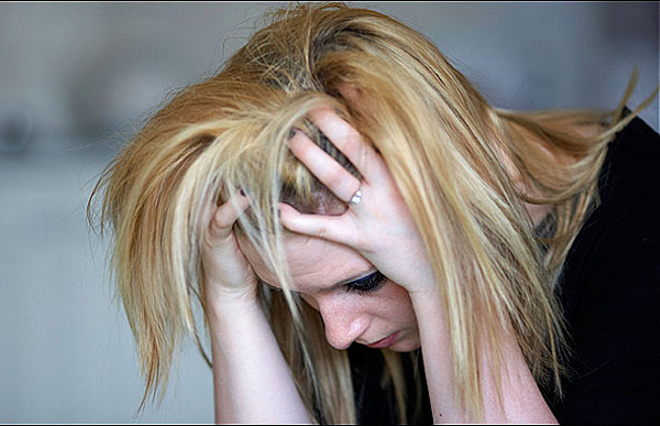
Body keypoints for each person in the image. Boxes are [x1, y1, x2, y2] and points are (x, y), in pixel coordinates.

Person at [88, 2, 659, 424]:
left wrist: (445, 274)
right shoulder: (331, 294)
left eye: (363, 281)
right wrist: (231, 297)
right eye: (301, 295)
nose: (338, 334)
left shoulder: (640, 216)